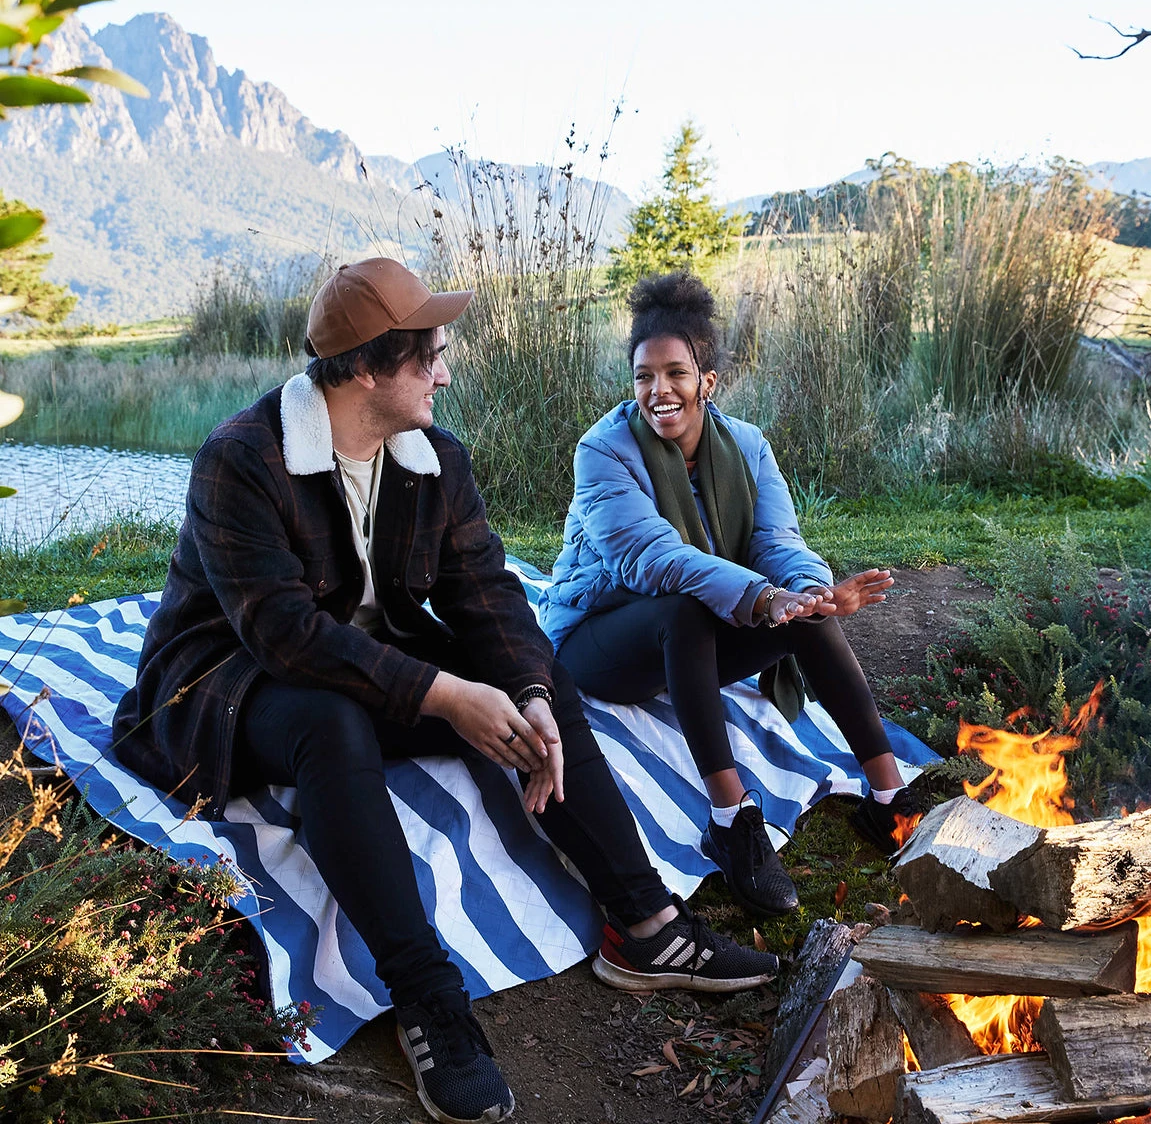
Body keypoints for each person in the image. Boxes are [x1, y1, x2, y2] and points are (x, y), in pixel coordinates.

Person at [111, 258, 777, 1124]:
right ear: (363, 367)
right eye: (429, 357)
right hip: (226, 684)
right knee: (334, 717)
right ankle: (429, 999)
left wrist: (527, 692)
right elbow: (282, 635)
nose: (446, 372)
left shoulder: (433, 458)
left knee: (537, 677)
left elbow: (487, 593)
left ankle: (645, 926)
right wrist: (444, 697)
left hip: (367, 655)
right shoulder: (242, 459)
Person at [539, 271, 921, 920]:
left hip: (698, 635)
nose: (658, 391)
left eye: (676, 373)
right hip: (596, 641)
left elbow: (777, 541)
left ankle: (889, 802)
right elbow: (651, 558)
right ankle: (731, 817)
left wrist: (808, 591)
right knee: (687, 605)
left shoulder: (746, 445)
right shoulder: (603, 450)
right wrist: (765, 598)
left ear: (706, 382)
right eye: (643, 376)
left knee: (809, 616)